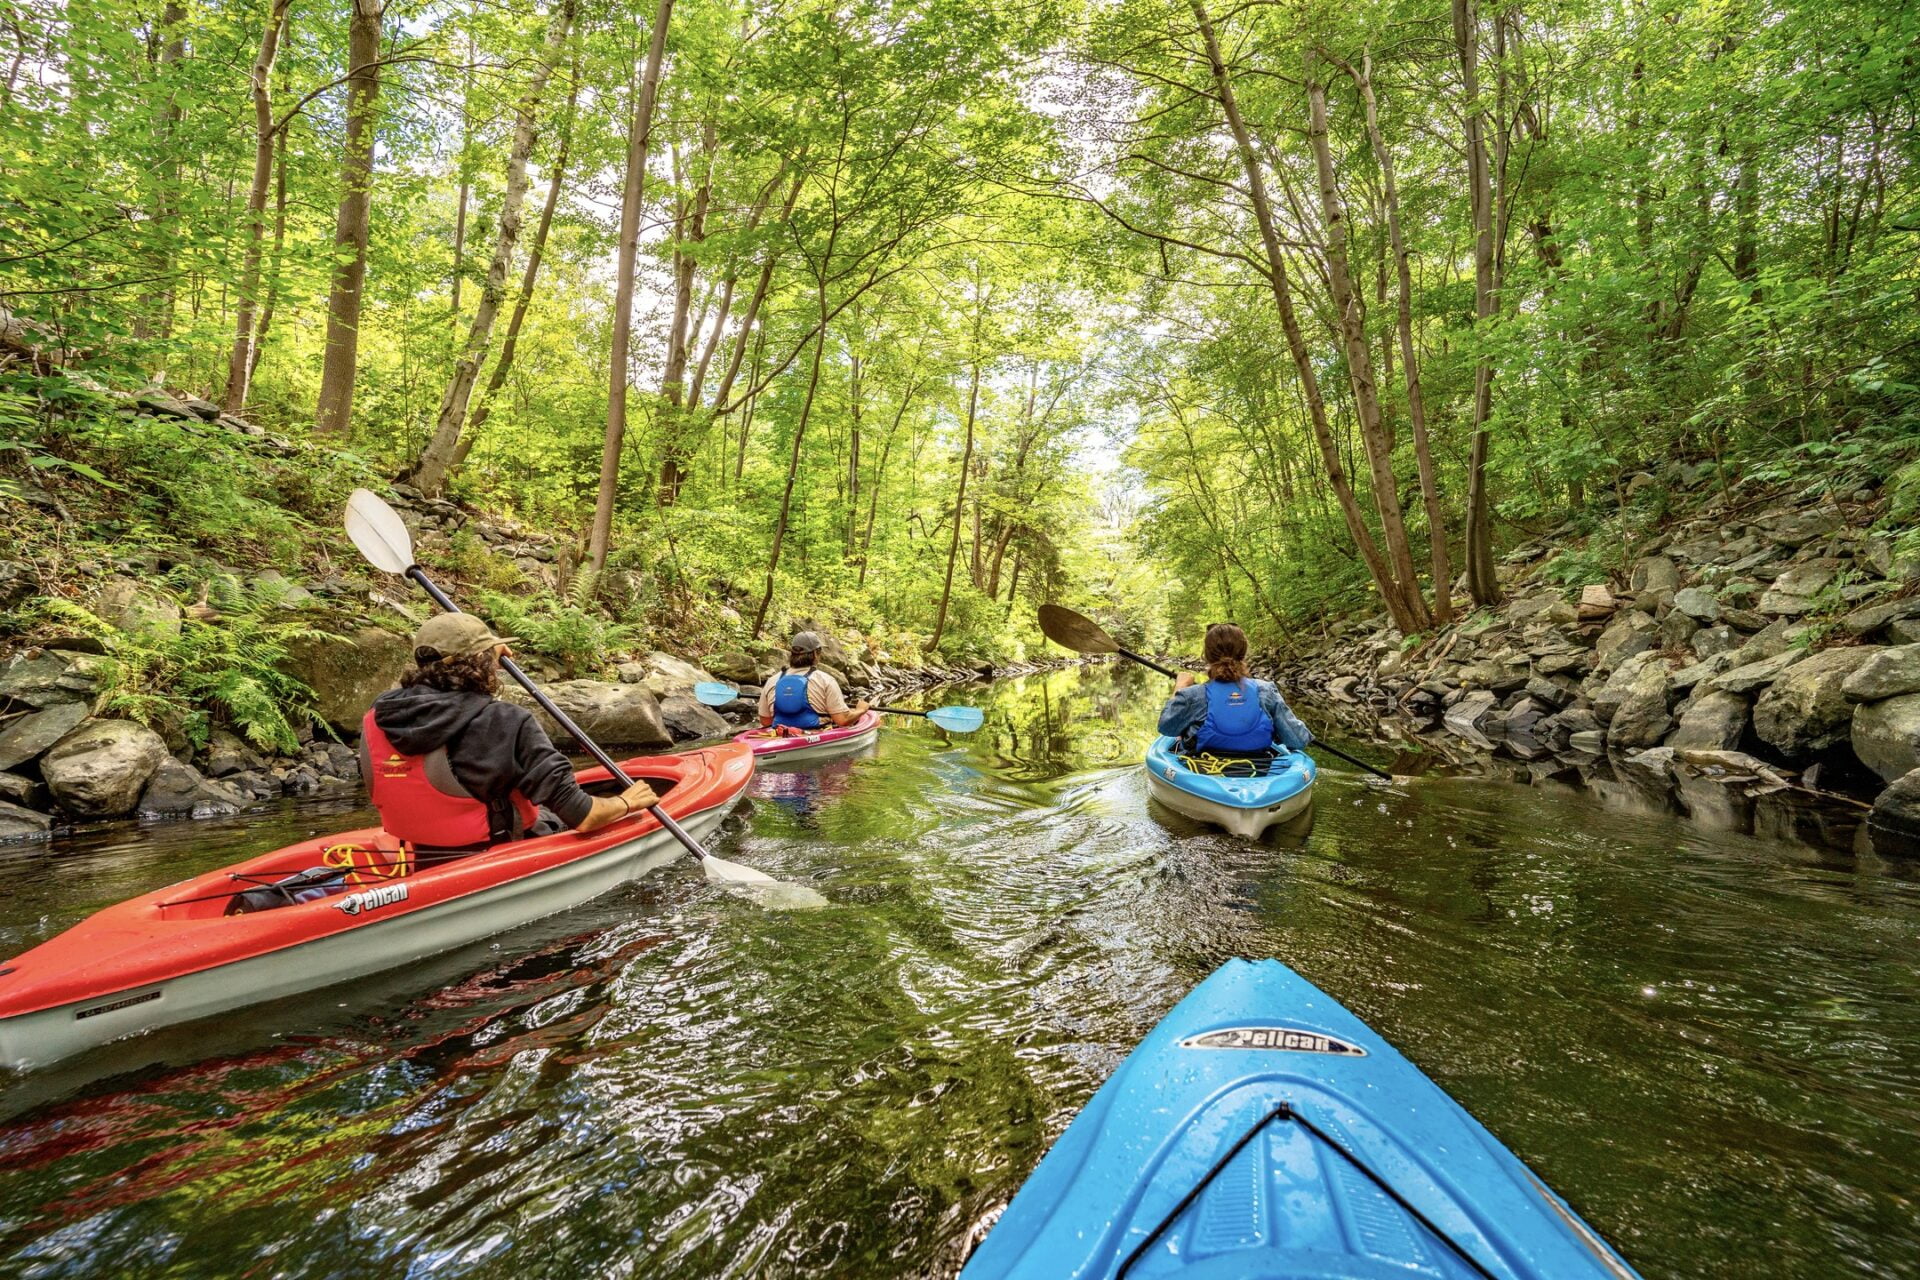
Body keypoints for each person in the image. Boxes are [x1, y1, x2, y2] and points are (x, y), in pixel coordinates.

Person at [361, 613, 659, 858]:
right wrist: (627, 802)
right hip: (500, 853)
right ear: (481, 662)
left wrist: (485, 654)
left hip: (426, 855)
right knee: (561, 813)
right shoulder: (506, 722)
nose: (508, 656)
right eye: (495, 653)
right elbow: (584, 817)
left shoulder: (381, 713)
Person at [1158, 622, 1311, 757]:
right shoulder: (1266, 690)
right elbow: (1298, 740)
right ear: (1244, 653)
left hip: (1203, 768)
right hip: (1259, 770)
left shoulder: (1192, 695)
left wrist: (1180, 687)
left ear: (1206, 656)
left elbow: (1166, 728)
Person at [758, 631, 871, 730]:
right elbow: (843, 720)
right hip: (816, 735)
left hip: (779, 736)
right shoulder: (825, 680)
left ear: (792, 653)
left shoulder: (772, 680)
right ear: (816, 653)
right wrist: (861, 710)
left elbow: (766, 722)